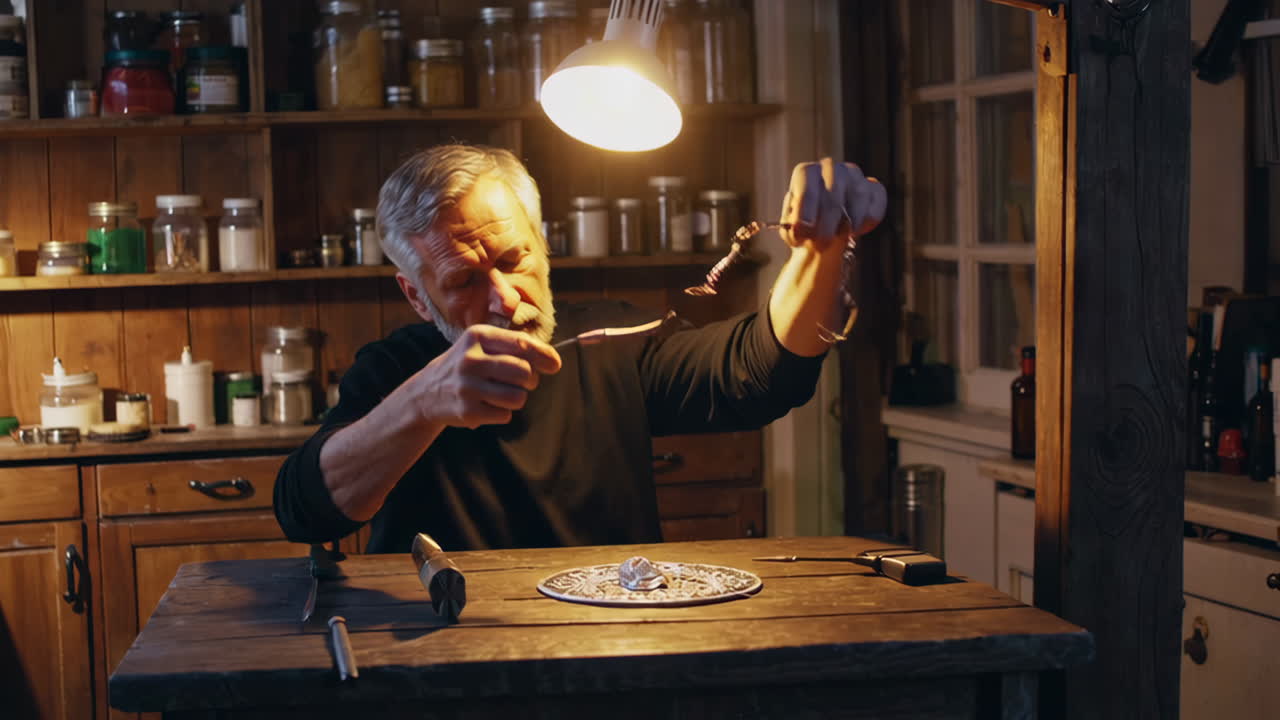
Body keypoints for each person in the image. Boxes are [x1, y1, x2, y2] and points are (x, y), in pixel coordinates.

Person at [274, 144, 886, 553]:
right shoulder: (394, 371)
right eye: (463, 282)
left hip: (609, 647)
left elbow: (758, 372)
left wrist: (822, 250)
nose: (505, 299)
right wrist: (422, 404)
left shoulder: (615, 343)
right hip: (443, 659)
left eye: (513, 259)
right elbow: (305, 511)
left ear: (542, 245)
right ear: (416, 295)